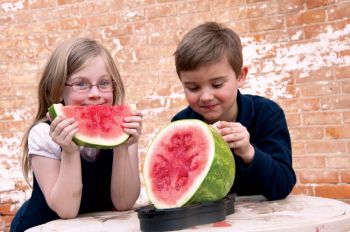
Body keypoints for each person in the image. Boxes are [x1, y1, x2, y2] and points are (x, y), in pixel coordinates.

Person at [11, 38, 142, 232]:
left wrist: (123, 145)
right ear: (56, 91)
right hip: (40, 227)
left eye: (104, 83)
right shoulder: (43, 134)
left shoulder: (124, 127)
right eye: (81, 84)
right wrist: (70, 152)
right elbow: (66, 210)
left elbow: (124, 203)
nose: (95, 93)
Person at [172, 22, 296, 200]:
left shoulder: (267, 113)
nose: (206, 96)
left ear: (240, 76)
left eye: (217, 84)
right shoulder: (181, 124)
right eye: (193, 87)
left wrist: (249, 152)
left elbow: (283, 184)